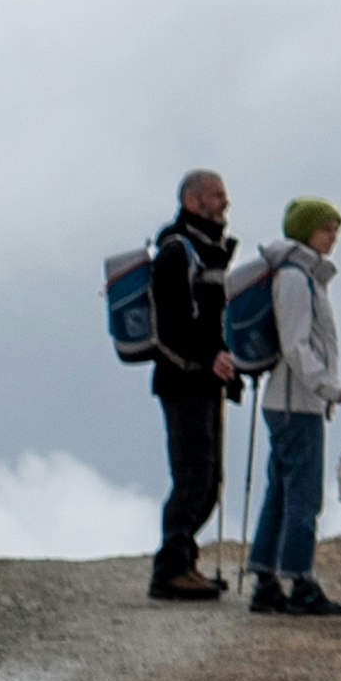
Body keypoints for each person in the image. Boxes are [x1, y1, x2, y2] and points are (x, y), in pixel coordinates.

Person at [244, 195, 341, 619]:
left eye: (335, 229)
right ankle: (300, 583)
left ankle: (268, 580)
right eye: (326, 228)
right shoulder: (295, 277)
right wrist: (330, 388)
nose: (333, 237)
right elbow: (296, 344)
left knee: (281, 493)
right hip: (296, 403)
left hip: (288, 402)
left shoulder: (303, 274)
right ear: (305, 231)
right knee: (303, 497)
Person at [142, 168, 242, 602]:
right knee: (193, 477)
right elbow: (170, 327)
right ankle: (170, 571)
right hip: (182, 382)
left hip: (203, 382)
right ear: (192, 201)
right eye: (216, 196)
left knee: (209, 478)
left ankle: (184, 563)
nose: (225, 203)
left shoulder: (208, 251)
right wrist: (206, 360)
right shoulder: (176, 252)